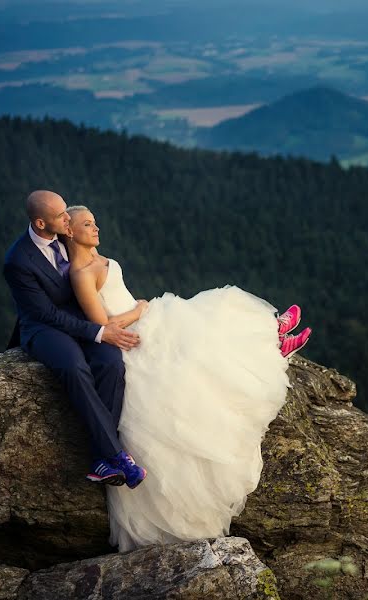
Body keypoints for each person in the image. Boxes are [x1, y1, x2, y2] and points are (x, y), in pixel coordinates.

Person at [63, 204, 311, 549]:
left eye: (94, 221)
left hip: (142, 317)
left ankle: (270, 335)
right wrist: (139, 309)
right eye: (87, 224)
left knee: (208, 311)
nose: (96, 227)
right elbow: (102, 326)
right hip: (132, 334)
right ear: (69, 231)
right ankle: (269, 346)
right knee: (196, 342)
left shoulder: (100, 260)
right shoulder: (81, 273)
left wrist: (138, 307)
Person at [3, 190, 147, 489]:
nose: (67, 218)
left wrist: (108, 321)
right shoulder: (18, 261)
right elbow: (46, 314)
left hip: (79, 318)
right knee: (74, 367)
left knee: (111, 363)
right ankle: (116, 455)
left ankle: (99, 460)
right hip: (44, 328)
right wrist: (99, 331)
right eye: (60, 216)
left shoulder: (66, 236)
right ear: (41, 224)